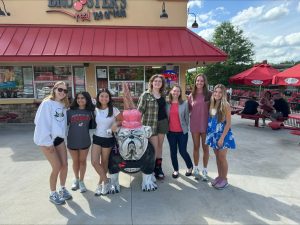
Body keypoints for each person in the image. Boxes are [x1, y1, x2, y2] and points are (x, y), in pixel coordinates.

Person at [33, 81, 72, 205]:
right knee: (57, 167)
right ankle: (53, 193)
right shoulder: (46, 104)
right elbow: (40, 123)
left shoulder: (63, 105)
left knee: (64, 165)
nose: (62, 92)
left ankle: (62, 188)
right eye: (60, 89)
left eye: (65, 91)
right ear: (54, 89)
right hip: (47, 140)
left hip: (59, 139)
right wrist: (47, 142)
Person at [91, 88, 122, 196]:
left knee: (104, 162)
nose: (104, 98)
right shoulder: (95, 109)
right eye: (102, 96)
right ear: (98, 98)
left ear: (109, 98)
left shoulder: (114, 109)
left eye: (106, 96)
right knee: (94, 162)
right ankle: (107, 181)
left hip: (108, 138)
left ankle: (101, 184)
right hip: (97, 138)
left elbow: (121, 120)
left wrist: (115, 124)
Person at [137, 74, 168, 179]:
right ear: (151, 82)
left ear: (162, 84)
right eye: (155, 81)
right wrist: (136, 125)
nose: (157, 83)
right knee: (153, 148)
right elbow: (139, 112)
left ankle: (158, 168)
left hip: (162, 122)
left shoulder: (163, 95)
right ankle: (151, 168)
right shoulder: (145, 95)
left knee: (160, 146)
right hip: (150, 124)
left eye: (160, 81)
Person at [206, 84, 236, 190]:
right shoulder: (213, 104)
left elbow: (228, 123)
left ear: (223, 94)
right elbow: (212, 120)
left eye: (220, 92)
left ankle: (225, 179)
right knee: (218, 157)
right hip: (214, 135)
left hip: (223, 135)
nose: (217, 94)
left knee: (222, 157)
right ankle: (219, 176)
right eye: (216, 91)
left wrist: (222, 138)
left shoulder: (226, 105)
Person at [67, 92, 95, 193]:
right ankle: (76, 179)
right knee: (75, 161)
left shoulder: (90, 111)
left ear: (87, 99)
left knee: (82, 161)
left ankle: (82, 181)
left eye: (82, 98)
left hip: (85, 140)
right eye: (78, 98)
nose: (80, 100)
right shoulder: (70, 111)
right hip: (72, 140)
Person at [188, 74, 211, 181]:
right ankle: (196, 168)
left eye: (202, 81)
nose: (199, 83)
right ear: (195, 82)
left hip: (206, 125)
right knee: (196, 147)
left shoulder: (209, 95)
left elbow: (215, 109)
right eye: (198, 81)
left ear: (205, 82)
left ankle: (205, 169)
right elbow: (188, 110)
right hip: (195, 125)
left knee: (205, 148)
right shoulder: (191, 96)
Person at [166, 85, 193, 178]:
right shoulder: (167, 103)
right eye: (174, 91)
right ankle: (176, 170)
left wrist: (186, 129)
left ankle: (190, 167)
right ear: (171, 92)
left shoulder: (184, 103)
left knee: (182, 151)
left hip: (182, 132)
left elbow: (186, 118)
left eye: (178, 91)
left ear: (180, 93)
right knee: (173, 152)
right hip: (170, 133)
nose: (176, 93)